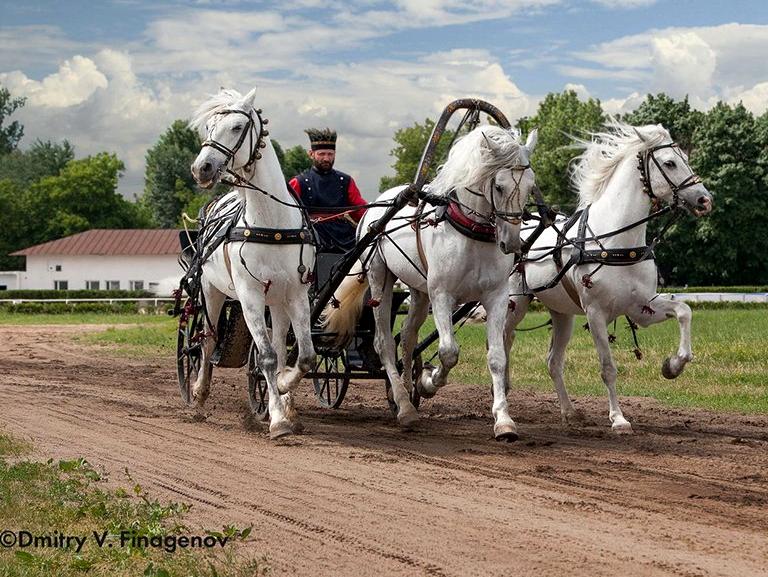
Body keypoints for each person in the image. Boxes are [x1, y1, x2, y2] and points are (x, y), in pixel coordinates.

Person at [288, 128, 367, 251]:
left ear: (335, 154)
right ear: (311, 154)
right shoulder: (298, 182)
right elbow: (288, 213)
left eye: (330, 154)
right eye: (321, 154)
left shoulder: (346, 181)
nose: (326, 158)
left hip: (344, 236)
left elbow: (360, 210)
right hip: (311, 235)